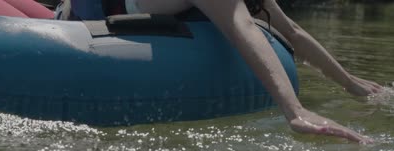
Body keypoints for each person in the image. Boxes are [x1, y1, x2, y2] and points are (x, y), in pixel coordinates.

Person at [63, 0, 383, 143]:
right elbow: (241, 25)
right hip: (73, 21)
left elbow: (294, 32)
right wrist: (295, 111)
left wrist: (349, 82)